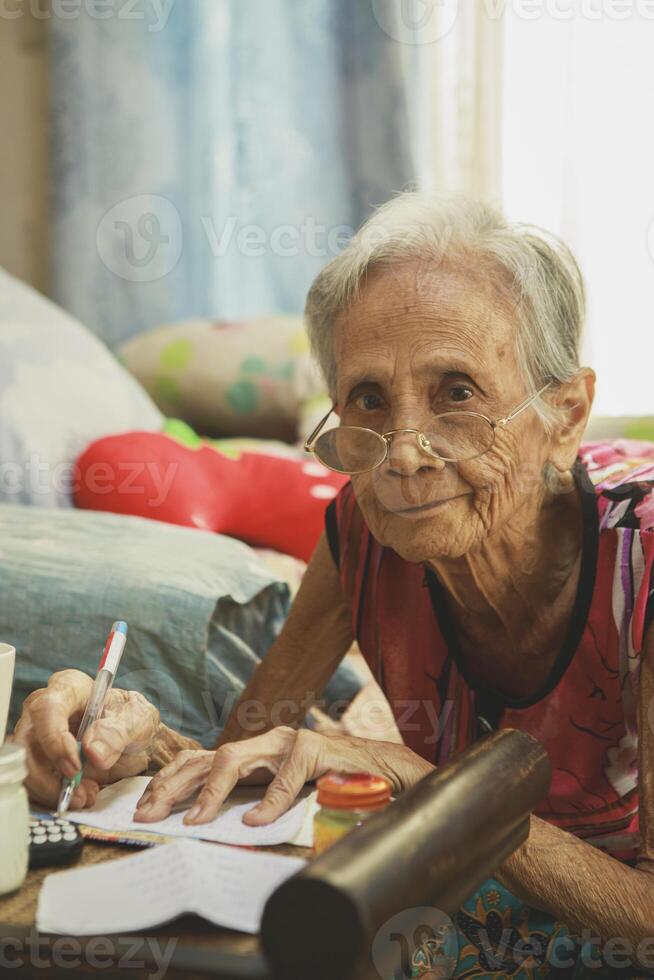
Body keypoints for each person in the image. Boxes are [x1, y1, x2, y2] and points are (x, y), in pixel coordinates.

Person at [14, 194, 654, 961]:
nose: (403, 455)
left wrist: (409, 779)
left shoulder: (641, 572)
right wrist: (137, 744)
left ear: (567, 415)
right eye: (369, 401)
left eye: (458, 393)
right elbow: (239, 761)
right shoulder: (365, 528)